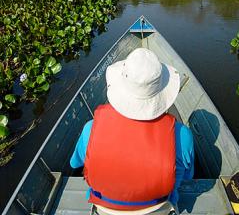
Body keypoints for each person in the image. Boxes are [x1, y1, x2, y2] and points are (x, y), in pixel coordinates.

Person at [70, 48, 194, 215]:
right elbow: (187, 177)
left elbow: (75, 164)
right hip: (159, 210)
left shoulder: (89, 129)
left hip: (105, 210)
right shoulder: (183, 135)